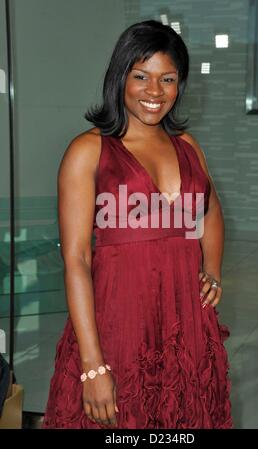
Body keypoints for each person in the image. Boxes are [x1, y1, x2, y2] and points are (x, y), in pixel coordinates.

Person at [42, 19, 232, 429]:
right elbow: (76, 260)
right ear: (120, 76)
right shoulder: (88, 150)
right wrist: (92, 367)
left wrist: (212, 270)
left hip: (186, 327)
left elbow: (212, 210)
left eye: (168, 79)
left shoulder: (186, 145)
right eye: (141, 76)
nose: (155, 92)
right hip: (119, 326)